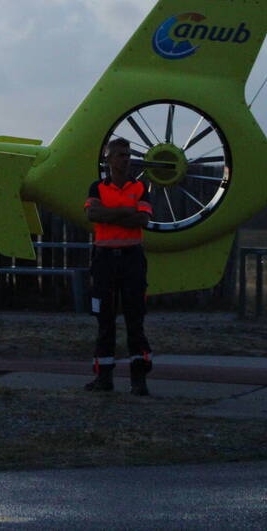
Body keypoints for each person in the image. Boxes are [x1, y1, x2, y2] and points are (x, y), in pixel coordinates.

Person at [83, 137, 154, 396]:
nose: (126, 159)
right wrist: (127, 212)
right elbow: (92, 215)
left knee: (135, 320)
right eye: (120, 155)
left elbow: (143, 219)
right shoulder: (96, 187)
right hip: (104, 260)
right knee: (105, 320)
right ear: (108, 159)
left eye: (128, 155)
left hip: (132, 259)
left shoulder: (140, 187)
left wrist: (110, 213)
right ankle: (104, 377)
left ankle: (139, 379)